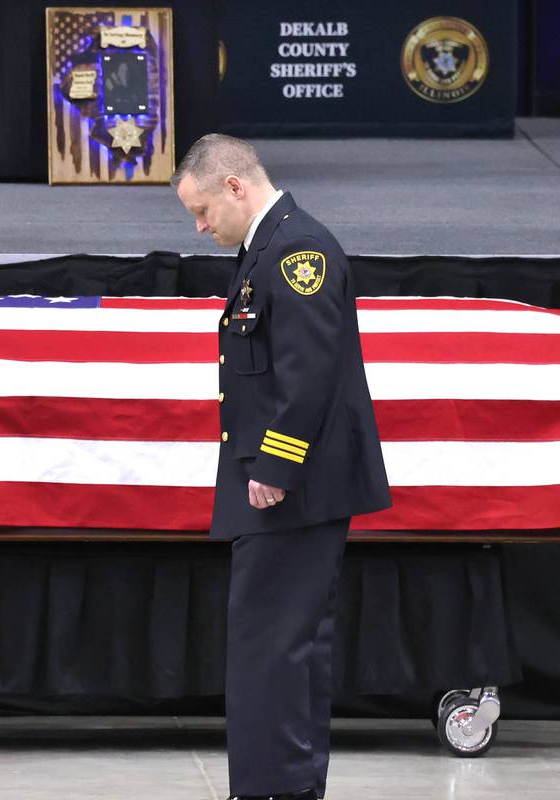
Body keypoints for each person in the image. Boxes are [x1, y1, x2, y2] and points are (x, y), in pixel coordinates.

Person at [172, 134, 391, 800]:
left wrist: (275, 467)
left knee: (277, 650)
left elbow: (309, 374)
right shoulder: (265, 249)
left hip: (293, 490)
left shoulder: (297, 254)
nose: (201, 227)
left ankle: (280, 790)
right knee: (264, 646)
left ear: (235, 186)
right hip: (276, 487)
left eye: (204, 210)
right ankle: (269, 786)